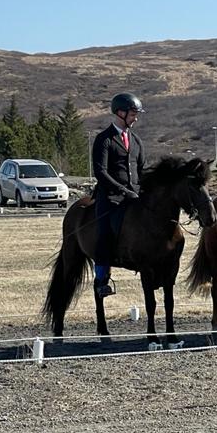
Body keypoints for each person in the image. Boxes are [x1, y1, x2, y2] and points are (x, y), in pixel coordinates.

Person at [92, 92, 147, 298]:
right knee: (104, 234)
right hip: (110, 197)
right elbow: (101, 172)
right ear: (120, 113)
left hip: (135, 195)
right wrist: (123, 190)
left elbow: (142, 169)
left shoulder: (136, 140)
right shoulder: (104, 139)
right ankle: (101, 279)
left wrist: (144, 190)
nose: (135, 118)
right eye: (133, 114)